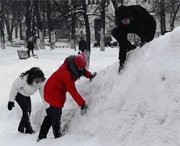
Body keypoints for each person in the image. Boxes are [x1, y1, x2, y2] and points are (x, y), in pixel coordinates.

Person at [37, 53, 97, 141]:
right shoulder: (67, 74)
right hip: (53, 91)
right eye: (80, 67)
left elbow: (82, 71)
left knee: (50, 115)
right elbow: (72, 91)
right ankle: (57, 138)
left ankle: (41, 136)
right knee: (56, 116)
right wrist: (82, 104)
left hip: (56, 88)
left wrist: (90, 75)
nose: (81, 69)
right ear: (75, 66)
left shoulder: (74, 65)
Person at [111, 5, 156, 72]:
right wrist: (122, 60)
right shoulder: (122, 24)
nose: (125, 22)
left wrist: (145, 40)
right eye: (123, 21)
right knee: (115, 31)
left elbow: (150, 25)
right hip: (132, 27)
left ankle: (144, 44)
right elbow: (122, 42)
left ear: (129, 16)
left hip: (146, 25)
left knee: (144, 35)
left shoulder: (138, 11)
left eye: (126, 20)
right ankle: (130, 47)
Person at [8, 67, 46, 134]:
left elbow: (43, 94)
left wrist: (47, 106)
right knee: (26, 110)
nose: (38, 81)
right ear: (33, 77)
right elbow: (14, 87)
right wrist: (11, 101)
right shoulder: (24, 78)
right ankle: (29, 129)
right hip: (19, 94)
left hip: (27, 95)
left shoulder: (41, 82)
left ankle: (21, 127)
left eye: (40, 79)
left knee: (29, 111)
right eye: (37, 79)